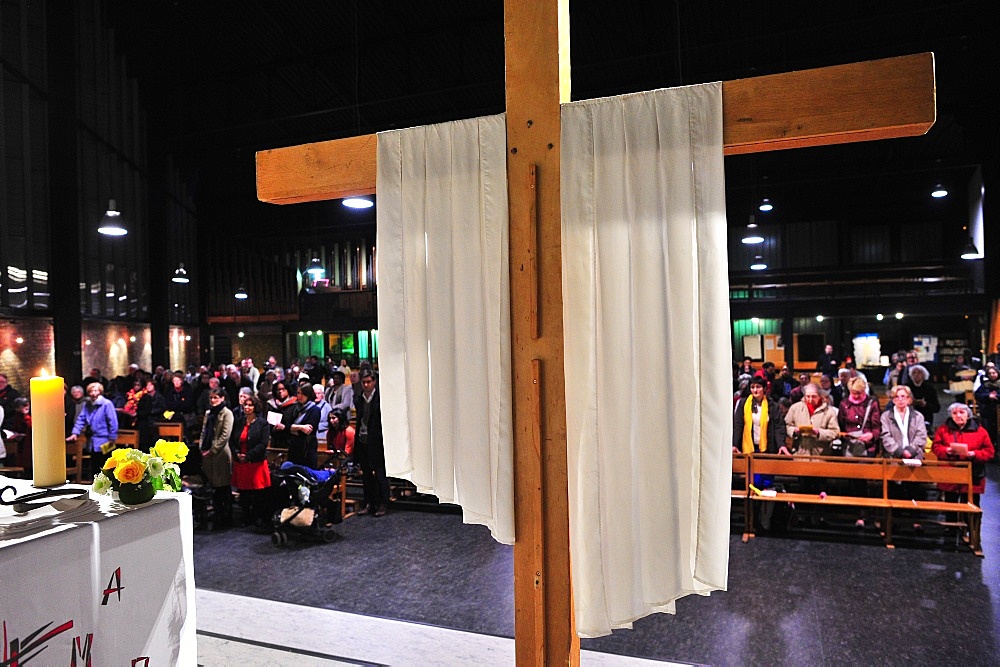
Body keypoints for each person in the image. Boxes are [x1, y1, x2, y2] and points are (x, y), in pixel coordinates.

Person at [837, 375, 882, 527]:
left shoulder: (872, 403)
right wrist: (846, 435)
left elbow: (877, 426)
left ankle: (866, 513)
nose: (856, 396)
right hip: (850, 446)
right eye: (854, 393)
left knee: (865, 480)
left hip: (867, 446)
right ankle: (856, 513)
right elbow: (841, 424)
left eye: (859, 393)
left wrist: (871, 435)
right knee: (853, 480)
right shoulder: (844, 404)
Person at [931, 403, 994, 506]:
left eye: (961, 412)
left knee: (971, 507)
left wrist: (974, 454)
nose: (958, 416)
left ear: (968, 415)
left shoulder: (980, 431)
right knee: (951, 508)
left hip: (973, 474)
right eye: (954, 413)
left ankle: (971, 522)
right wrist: (946, 451)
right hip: (950, 474)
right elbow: (936, 447)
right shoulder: (943, 429)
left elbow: (989, 452)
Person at [230, 395, 271, 526]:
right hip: (241, 462)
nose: (247, 407)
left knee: (258, 493)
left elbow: (263, 443)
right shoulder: (239, 421)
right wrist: (237, 454)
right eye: (245, 405)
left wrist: (248, 456)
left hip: (256, 462)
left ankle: (257, 517)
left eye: (250, 405)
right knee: (243, 492)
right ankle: (246, 517)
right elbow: (232, 440)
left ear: (255, 407)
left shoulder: (262, 423)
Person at [354, 369, 389, 517]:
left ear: (374, 382)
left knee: (380, 474)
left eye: (369, 382)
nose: (366, 385)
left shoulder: (380, 398)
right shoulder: (360, 398)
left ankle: (383, 503)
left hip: (377, 441)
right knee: (366, 475)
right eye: (364, 382)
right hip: (363, 440)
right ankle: (369, 502)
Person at [67, 382, 119, 478]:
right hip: (92, 440)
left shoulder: (107, 404)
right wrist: (75, 433)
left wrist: (112, 438)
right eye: (91, 391)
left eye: (96, 391)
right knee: (95, 466)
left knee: (106, 465)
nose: (93, 394)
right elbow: (81, 419)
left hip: (106, 440)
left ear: (100, 392)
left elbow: (113, 422)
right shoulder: (88, 405)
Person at [200, 388, 234, 528]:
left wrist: (213, 450)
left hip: (221, 454)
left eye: (216, 398)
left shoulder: (227, 413)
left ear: (222, 398)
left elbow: (225, 435)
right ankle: (216, 513)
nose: (213, 400)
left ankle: (225, 516)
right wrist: (202, 447)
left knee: (223, 486)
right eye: (211, 398)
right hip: (208, 453)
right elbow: (204, 431)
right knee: (213, 486)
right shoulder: (208, 413)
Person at [733, 376, 787, 455]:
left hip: (768, 449)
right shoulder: (743, 404)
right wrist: (735, 444)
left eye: (758, 387)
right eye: (752, 387)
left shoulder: (773, 406)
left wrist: (781, 445)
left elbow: (778, 427)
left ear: (764, 389)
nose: (755, 390)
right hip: (747, 449)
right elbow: (738, 425)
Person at [784, 383, 839, 456]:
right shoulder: (795, 408)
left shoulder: (829, 411)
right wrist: (794, 431)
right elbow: (786, 426)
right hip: (799, 454)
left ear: (819, 396)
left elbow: (835, 432)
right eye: (808, 396)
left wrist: (818, 433)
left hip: (821, 455)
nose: (810, 399)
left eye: (814, 396)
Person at [880, 385, 926, 460]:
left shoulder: (918, 416)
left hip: (914, 457)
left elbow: (921, 437)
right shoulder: (885, 416)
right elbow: (886, 437)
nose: (900, 399)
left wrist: (910, 450)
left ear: (909, 399)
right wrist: (900, 451)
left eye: (903, 396)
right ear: (893, 400)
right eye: (896, 397)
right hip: (893, 457)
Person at [287, 382, 321, 468]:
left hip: (307, 448)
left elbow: (308, 431)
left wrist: (292, 429)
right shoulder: (295, 408)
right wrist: (301, 427)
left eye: (303, 394)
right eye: (298, 393)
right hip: (294, 446)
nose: (300, 396)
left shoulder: (315, 410)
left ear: (309, 395)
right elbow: (286, 426)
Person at [974, 365, 1000, 447]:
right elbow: (978, 395)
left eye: (994, 373)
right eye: (990, 373)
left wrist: (996, 397)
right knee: (988, 430)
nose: (992, 375)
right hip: (987, 411)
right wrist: (988, 396)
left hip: (998, 411)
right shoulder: (985, 385)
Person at [267, 380, 298, 450]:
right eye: (278, 390)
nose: (280, 391)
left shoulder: (295, 405)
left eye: (283, 389)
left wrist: (284, 427)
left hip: (289, 439)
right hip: (275, 439)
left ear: (288, 390)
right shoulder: (271, 404)